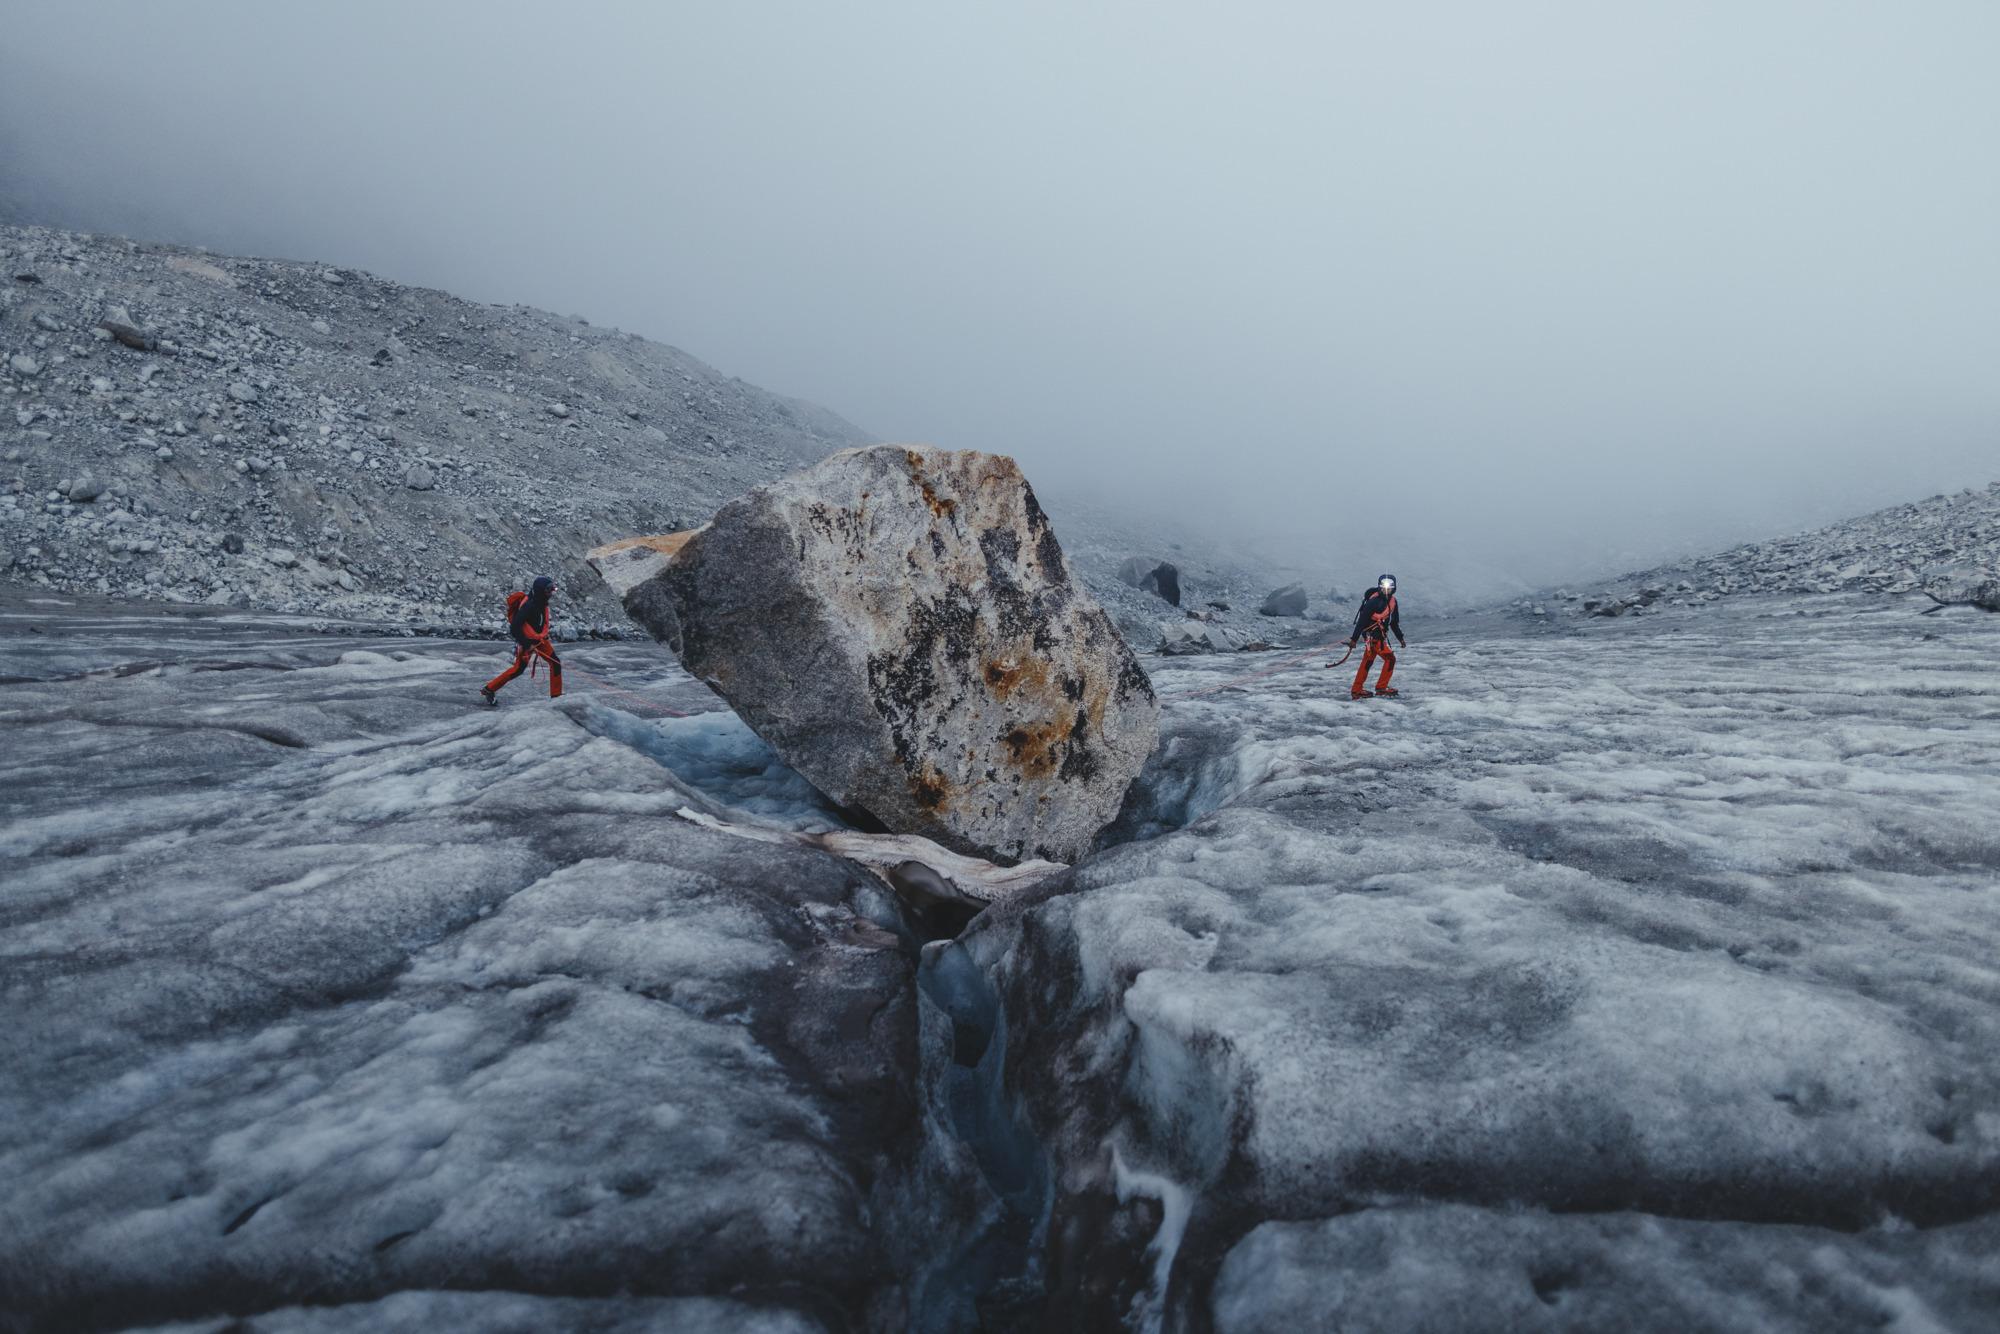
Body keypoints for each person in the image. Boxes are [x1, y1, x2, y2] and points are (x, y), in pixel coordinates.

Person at [482, 574, 563, 704]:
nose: (552, 593)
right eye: (549, 590)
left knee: (556, 663)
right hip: (528, 642)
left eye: (552, 589)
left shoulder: (542, 602)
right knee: (518, 670)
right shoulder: (529, 606)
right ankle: (489, 689)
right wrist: (526, 644)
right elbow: (514, 628)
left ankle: (556, 697)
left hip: (540, 640)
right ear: (541, 590)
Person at [1345, 573, 1404, 699]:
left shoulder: (1393, 602)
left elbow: (1394, 623)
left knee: (1367, 662)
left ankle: (1357, 689)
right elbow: (1361, 622)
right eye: (1384, 588)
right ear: (1379, 587)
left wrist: (1400, 638)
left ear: (1394, 588)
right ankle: (1381, 687)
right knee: (1390, 659)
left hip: (1378, 638)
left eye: (1389, 588)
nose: (1386, 591)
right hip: (1373, 638)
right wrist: (1354, 640)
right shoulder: (1373, 602)